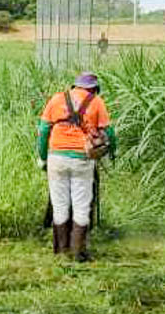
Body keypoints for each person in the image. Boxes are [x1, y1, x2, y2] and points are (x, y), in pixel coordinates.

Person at [36, 72, 115, 260]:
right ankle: (78, 252)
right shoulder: (96, 102)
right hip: (82, 159)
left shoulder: (56, 99)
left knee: (60, 204)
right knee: (81, 205)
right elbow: (109, 132)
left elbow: (44, 130)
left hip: (56, 157)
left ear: (75, 86)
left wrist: (42, 157)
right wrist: (112, 153)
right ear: (93, 88)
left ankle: (61, 252)